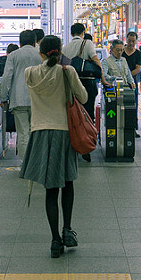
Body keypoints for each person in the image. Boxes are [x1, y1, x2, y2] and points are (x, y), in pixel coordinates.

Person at [20, 35, 87, 259]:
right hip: (64, 133)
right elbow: (84, 98)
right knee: (67, 183)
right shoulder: (67, 72)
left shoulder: (29, 73)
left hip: (40, 133)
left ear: (41, 53)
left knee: (51, 189)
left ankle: (55, 241)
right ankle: (68, 229)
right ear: (60, 51)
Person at [0, 30, 39, 159]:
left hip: (18, 99)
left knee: (22, 133)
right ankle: (35, 161)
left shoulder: (13, 55)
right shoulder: (40, 55)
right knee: (35, 132)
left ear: (20, 42)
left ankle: (24, 163)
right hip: (38, 99)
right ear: (34, 42)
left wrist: (3, 97)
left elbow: (6, 78)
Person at [62, 23, 103, 122]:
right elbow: (96, 59)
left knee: (73, 110)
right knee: (88, 111)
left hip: (70, 82)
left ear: (72, 34)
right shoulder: (87, 43)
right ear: (83, 33)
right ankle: (87, 133)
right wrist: (103, 77)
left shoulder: (65, 47)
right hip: (87, 82)